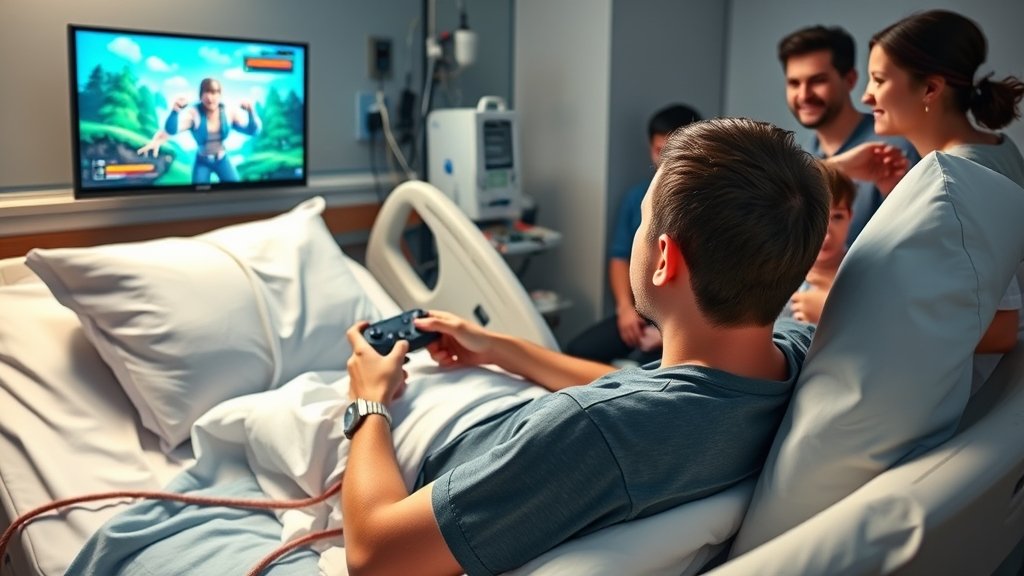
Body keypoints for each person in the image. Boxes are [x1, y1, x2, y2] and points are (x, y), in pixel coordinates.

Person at [340, 117, 830, 575]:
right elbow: (655, 399)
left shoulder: (595, 433)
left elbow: (374, 554)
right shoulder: (799, 352)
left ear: (664, 259)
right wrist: (500, 348)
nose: (637, 233)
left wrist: (369, 399)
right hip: (512, 407)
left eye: (642, 222)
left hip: (419, 442)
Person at [861, 9, 1024, 391]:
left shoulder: (960, 175)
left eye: (879, 80)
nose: (866, 95)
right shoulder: (998, 148)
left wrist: (853, 321)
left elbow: (999, 328)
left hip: (972, 396)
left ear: (930, 89)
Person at [565, 103, 702, 365]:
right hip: (643, 313)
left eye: (672, 152)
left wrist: (671, 333)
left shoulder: (710, 205)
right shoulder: (637, 198)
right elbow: (619, 256)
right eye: (658, 151)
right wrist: (625, 309)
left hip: (688, 319)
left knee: (649, 367)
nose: (664, 161)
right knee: (576, 351)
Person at [778, 24, 920, 245]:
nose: (804, 95)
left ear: (851, 79)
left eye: (818, 81)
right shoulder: (801, 157)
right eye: (794, 83)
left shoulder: (897, 147)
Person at [137, 77, 261, 184]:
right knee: (198, 195)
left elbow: (252, 131)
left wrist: (251, 112)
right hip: (202, 161)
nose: (210, 97)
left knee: (236, 190)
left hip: (222, 159)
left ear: (220, 95)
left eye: (215, 92)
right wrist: (175, 111)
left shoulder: (228, 112)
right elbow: (171, 130)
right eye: (207, 92)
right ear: (201, 95)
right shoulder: (194, 114)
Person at [782, 159, 856, 324]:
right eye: (814, 219)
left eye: (837, 217)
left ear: (850, 217)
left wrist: (834, 314)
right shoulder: (775, 278)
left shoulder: (869, 273)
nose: (826, 234)